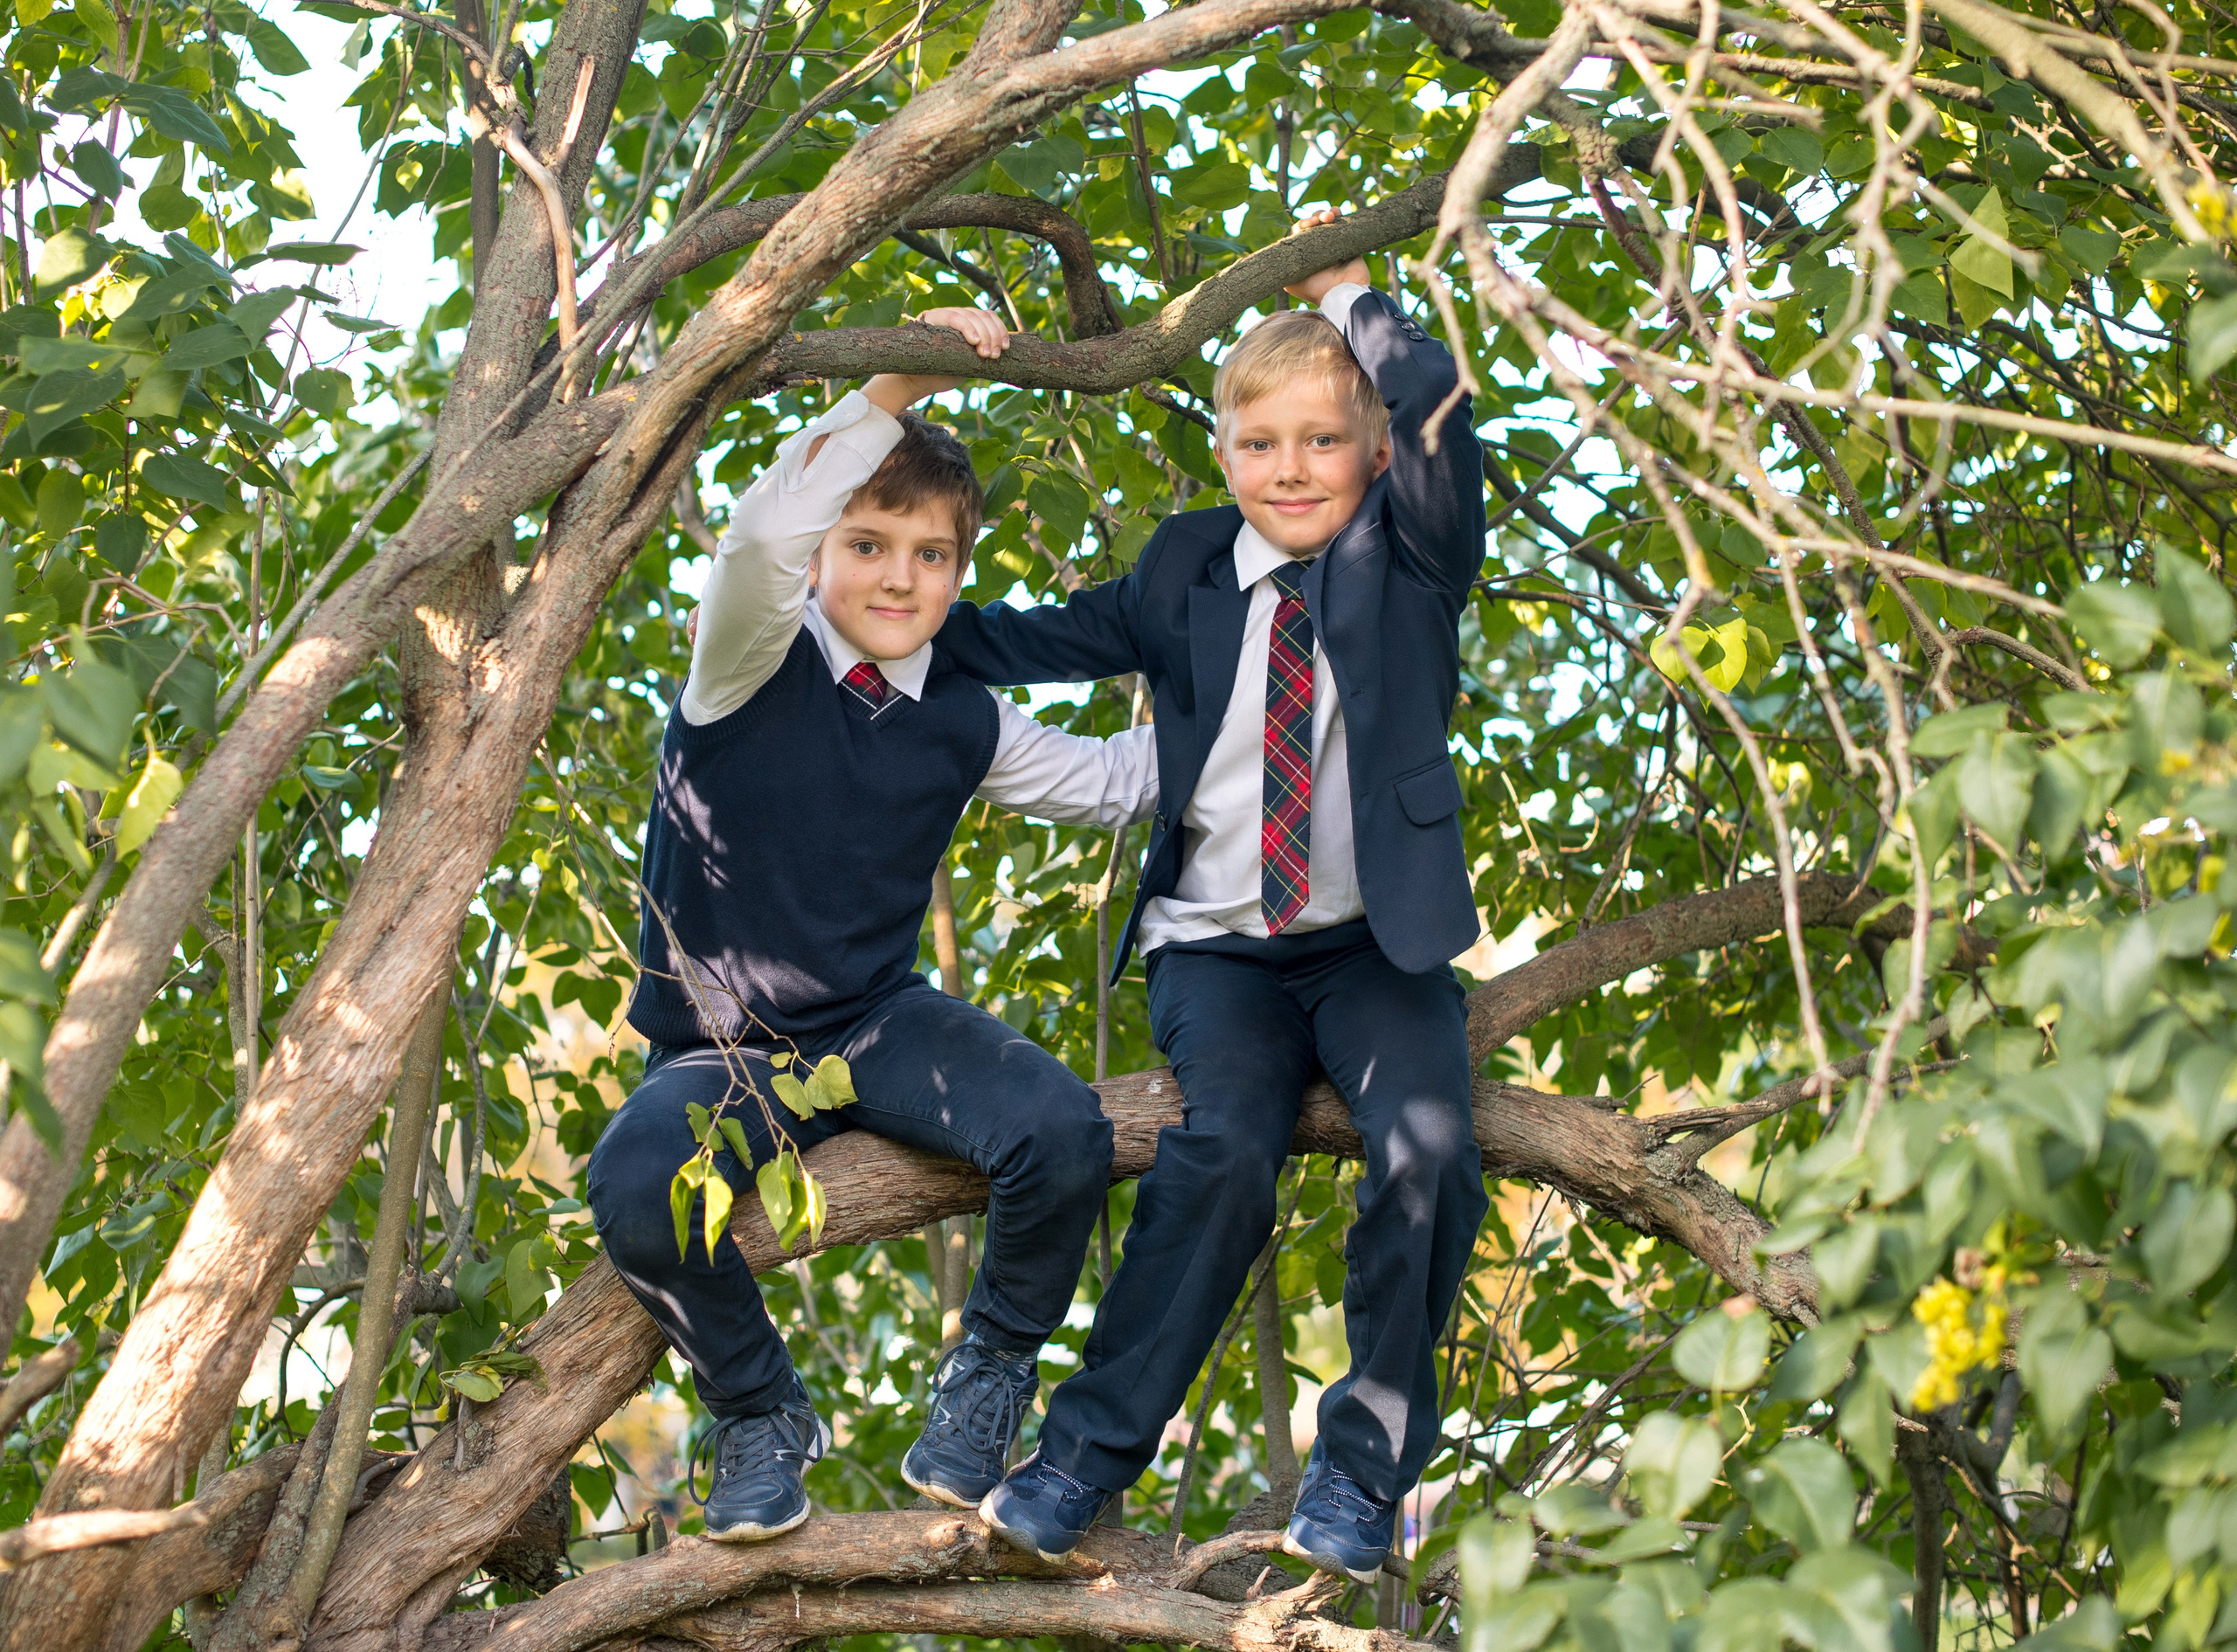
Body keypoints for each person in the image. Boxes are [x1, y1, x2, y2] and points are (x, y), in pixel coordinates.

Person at [935, 213, 1491, 1583]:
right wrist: (870, 609)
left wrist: (1353, 295)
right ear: (1224, 453)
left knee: (1427, 1154)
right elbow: (1019, 637)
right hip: (1221, 955)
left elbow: (1431, 411)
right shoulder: (1187, 564)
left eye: (1322, 441)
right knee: (1223, 1154)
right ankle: (1081, 1459)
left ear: (1367, 456)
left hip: (1376, 952)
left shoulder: (1409, 554)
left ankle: (1361, 1475)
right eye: (1260, 444)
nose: (1290, 470)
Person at [588, 303, 1159, 1543]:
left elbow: (1119, 782)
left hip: (879, 1022)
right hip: (723, 1049)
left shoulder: (966, 714)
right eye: (870, 544)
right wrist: (890, 384)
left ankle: (993, 1368)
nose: (901, 577)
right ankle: (758, 1409)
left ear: (962, 570)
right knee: (636, 1189)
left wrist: (1242, 680)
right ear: (826, 553)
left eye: (933, 555)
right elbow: (754, 541)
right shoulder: (749, 652)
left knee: (1061, 1129)